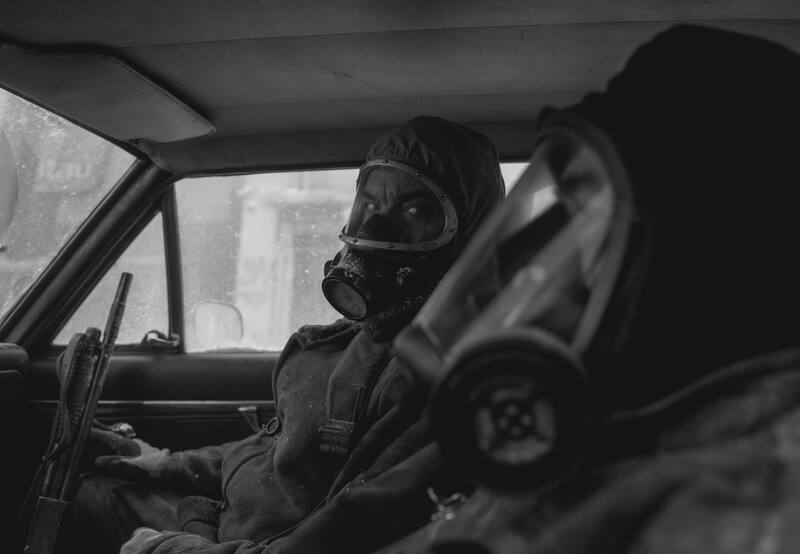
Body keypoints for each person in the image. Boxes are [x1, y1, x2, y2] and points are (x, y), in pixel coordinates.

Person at [231, 24, 800, 554]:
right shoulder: (608, 415)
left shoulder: (748, 497)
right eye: (562, 209)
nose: (536, 262)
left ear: (705, 239)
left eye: (589, 217)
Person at [72, 115, 506, 553]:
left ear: (466, 239)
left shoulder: (436, 379)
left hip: (252, 544)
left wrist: (181, 550)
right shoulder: (360, 339)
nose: (374, 230)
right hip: (224, 521)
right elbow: (273, 453)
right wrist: (165, 463)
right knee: (93, 491)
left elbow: (349, 534)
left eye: (415, 211)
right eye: (370, 204)